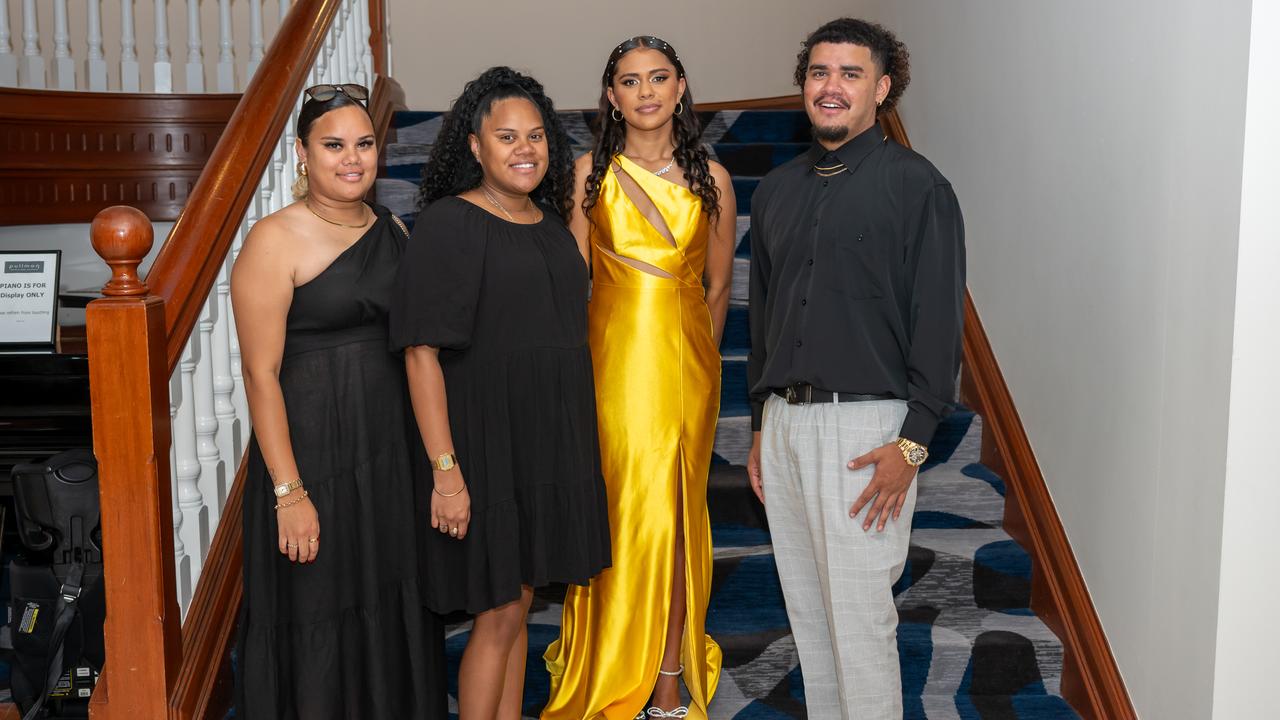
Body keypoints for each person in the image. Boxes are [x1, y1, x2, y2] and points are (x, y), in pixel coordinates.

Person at [746, 17, 966, 719]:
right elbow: (764, 324)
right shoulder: (776, 191)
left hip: (865, 431)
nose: (830, 86)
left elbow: (939, 326)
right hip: (784, 425)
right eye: (818, 72)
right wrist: (759, 426)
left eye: (849, 73)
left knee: (861, 625)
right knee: (811, 624)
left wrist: (913, 441)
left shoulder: (917, 186)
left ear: (883, 87)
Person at [390, 66, 612, 720]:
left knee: (515, 610)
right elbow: (420, 354)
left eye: (537, 136)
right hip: (482, 450)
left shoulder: (549, 222)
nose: (525, 149)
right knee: (496, 615)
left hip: (542, 446)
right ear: (476, 147)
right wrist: (447, 473)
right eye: (507, 136)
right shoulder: (449, 224)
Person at [231, 84, 448, 719]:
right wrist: (288, 493)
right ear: (302, 154)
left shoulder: (396, 229)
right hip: (312, 461)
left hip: (387, 459)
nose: (351, 159)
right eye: (332, 145)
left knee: (390, 605)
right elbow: (259, 374)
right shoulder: (274, 240)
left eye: (363, 144)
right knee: (317, 614)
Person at [542, 36, 736, 720]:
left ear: (681, 87)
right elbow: (571, 286)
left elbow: (717, 287)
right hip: (610, 367)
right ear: (612, 95)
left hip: (685, 370)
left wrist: (702, 364)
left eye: (659, 78)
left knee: (676, 517)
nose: (646, 91)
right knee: (621, 514)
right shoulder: (587, 173)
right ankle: (606, 657)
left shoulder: (713, 178)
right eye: (631, 80)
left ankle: (668, 679)